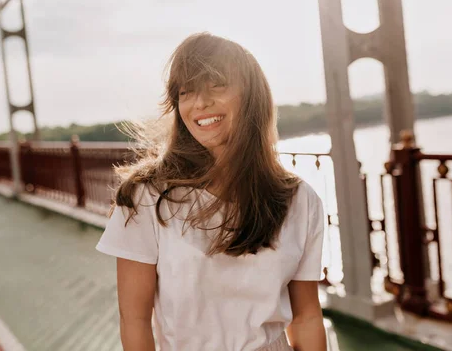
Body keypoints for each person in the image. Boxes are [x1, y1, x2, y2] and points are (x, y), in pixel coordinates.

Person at [96, 32, 327, 351]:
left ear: (251, 94)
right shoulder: (145, 196)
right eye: (186, 92)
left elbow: (307, 317)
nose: (200, 103)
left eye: (216, 85)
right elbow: (134, 320)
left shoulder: (300, 200)